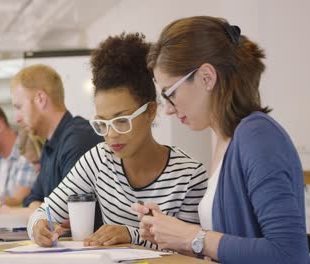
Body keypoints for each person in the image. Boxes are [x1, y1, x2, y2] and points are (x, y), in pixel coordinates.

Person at [131, 16, 308, 263]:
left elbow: (290, 254)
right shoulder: (226, 140)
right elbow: (233, 246)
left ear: (206, 77)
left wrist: (191, 236)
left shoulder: (257, 136)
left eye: (170, 94)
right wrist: (175, 237)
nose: (168, 110)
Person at [28, 33, 208, 249]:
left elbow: (193, 252)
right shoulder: (99, 160)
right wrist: (39, 226)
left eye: (122, 121)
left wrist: (131, 234)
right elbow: (43, 212)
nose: (111, 134)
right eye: (103, 124)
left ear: (150, 111)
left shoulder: (188, 177)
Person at [10, 64, 103, 209]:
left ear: (41, 99)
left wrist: (38, 211)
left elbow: (66, 212)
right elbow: (32, 198)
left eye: (19, 107)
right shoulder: (49, 146)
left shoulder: (78, 139)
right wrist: (40, 209)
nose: (17, 119)